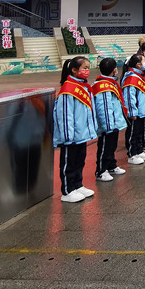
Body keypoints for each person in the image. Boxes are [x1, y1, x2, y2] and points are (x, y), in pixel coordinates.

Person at [52, 56, 97, 203]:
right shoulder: (68, 89)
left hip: (81, 134)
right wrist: (67, 136)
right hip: (70, 136)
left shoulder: (84, 87)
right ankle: (67, 190)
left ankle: (78, 185)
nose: (87, 71)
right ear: (74, 70)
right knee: (68, 164)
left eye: (88, 68)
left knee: (79, 161)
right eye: (84, 68)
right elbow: (65, 115)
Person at [91, 57, 128, 182]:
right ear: (114, 70)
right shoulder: (103, 86)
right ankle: (101, 170)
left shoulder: (110, 83)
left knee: (112, 146)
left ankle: (111, 165)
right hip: (108, 124)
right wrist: (108, 125)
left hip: (114, 122)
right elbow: (104, 107)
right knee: (104, 147)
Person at [121, 54, 145, 166]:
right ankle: (132, 154)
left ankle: (139, 151)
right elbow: (129, 97)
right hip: (135, 112)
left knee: (139, 132)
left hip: (142, 111)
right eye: (143, 61)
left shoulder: (139, 76)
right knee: (132, 133)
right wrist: (132, 112)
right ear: (138, 65)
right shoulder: (131, 77)